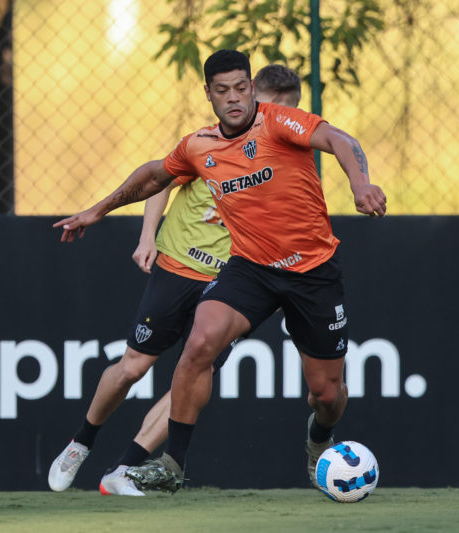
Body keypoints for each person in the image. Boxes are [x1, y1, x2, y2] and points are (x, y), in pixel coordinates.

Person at [54, 49, 386, 493]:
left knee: (326, 395)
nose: (234, 98)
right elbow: (155, 176)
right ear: (208, 94)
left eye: (242, 87)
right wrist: (98, 211)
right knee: (199, 343)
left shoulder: (277, 122)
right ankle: (172, 465)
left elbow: (341, 141)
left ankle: (320, 435)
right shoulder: (199, 146)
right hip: (250, 269)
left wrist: (360, 184)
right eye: (223, 90)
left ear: (252, 87)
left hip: (313, 271)